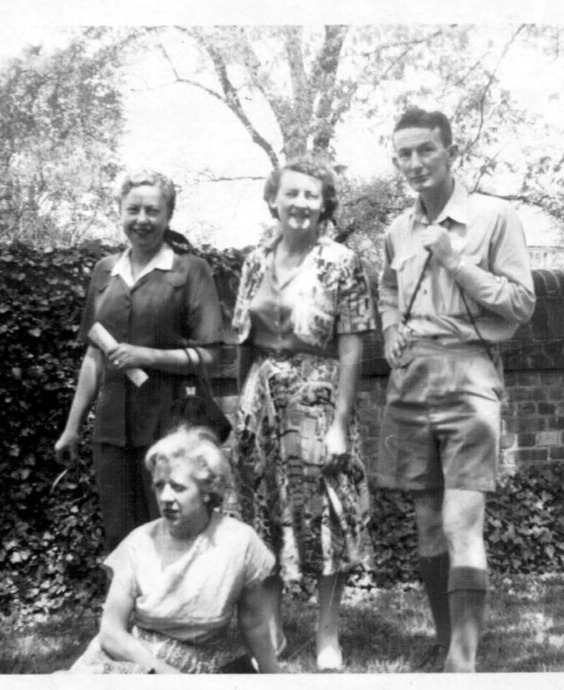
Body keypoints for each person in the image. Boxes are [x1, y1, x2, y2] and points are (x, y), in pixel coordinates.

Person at [375, 108, 536, 672]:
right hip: (413, 378)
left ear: (450, 151)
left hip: (470, 373)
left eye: (426, 151)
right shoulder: (397, 228)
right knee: (425, 523)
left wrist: (458, 264)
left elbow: (521, 304)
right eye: (404, 154)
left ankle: (462, 662)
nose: (415, 164)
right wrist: (392, 328)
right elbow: (388, 288)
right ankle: (446, 642)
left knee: (459, 521)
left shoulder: (494, 216)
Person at [230, 158, 375, 671]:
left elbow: (353, 350)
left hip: (319, 401)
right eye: (291, 194)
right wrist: (238, 416)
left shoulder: (343, 262)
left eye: (312, 196)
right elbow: (243, 344)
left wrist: (340, 423)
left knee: (328, 516)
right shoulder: (253, 261)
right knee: (263, 514)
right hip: (262, 402)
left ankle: (327, 634)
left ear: (324, 205)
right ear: (274, 200)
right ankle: (270, 632)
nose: (301, 204)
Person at [54, 169, 223, 553]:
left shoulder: (190, 270)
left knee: (175, 527)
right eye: (133, 210)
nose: (142, 220)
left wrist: (146, 355)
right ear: (120, 212)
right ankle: (130, 612)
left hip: (172, 424)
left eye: (153, 211)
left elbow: (209, 354)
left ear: (168, 217)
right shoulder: (103, 272)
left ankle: (184, 612)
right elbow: (94, 356)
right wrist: (72, 427)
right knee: (120, 535)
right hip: (113, 428)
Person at [67, 426, 282, 673]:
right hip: (133, 659)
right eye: (159, 486)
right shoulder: (139, 543)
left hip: (200, 662)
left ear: (207, 490)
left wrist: (274, 678)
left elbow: (253, 623)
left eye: (178, 487)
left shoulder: (240, 542)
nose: (166, 497)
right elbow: (111, 633)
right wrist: (165, 674)